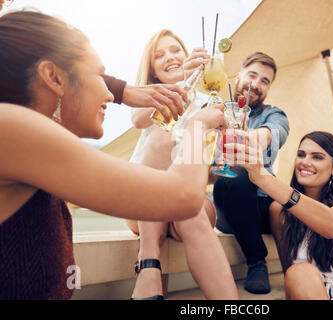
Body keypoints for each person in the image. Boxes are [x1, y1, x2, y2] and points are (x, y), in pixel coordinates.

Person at [0, 11, 226, 300]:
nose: (111, 95)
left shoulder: (24, 141)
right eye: (100, 76)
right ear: (54, 78)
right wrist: (198, 126)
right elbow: (184, 196)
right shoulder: (15, 132)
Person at [125, 29, 239, 300]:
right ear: (151, 68)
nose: (169, 57)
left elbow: (209, 174)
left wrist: (220, 159)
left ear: (187, 54)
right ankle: (149, 260)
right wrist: (180, 81)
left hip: (187, 203)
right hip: (140, 207)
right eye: (159, 55)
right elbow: (138, 120)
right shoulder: (149, 95)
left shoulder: (209, 105)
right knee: (161, 137)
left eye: (175, 50)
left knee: (194, 212)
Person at [225, 130, 333, 299]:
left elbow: (332, 225)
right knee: (299, 272)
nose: (305, 162)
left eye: (317, 157)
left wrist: (264, 178)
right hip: (310, 291)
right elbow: (290, 273)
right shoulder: (279, 212)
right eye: (301, 155)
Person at [212, 52, 290, 294]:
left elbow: (276, 132)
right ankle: (257, 262)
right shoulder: (214, 111)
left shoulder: (274, 114)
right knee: (235, 174)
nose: (256, 85)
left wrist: (253, 137)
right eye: (252, 76)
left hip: (265, 205)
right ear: (238, 76)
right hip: (230, 205)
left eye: (265, 81)